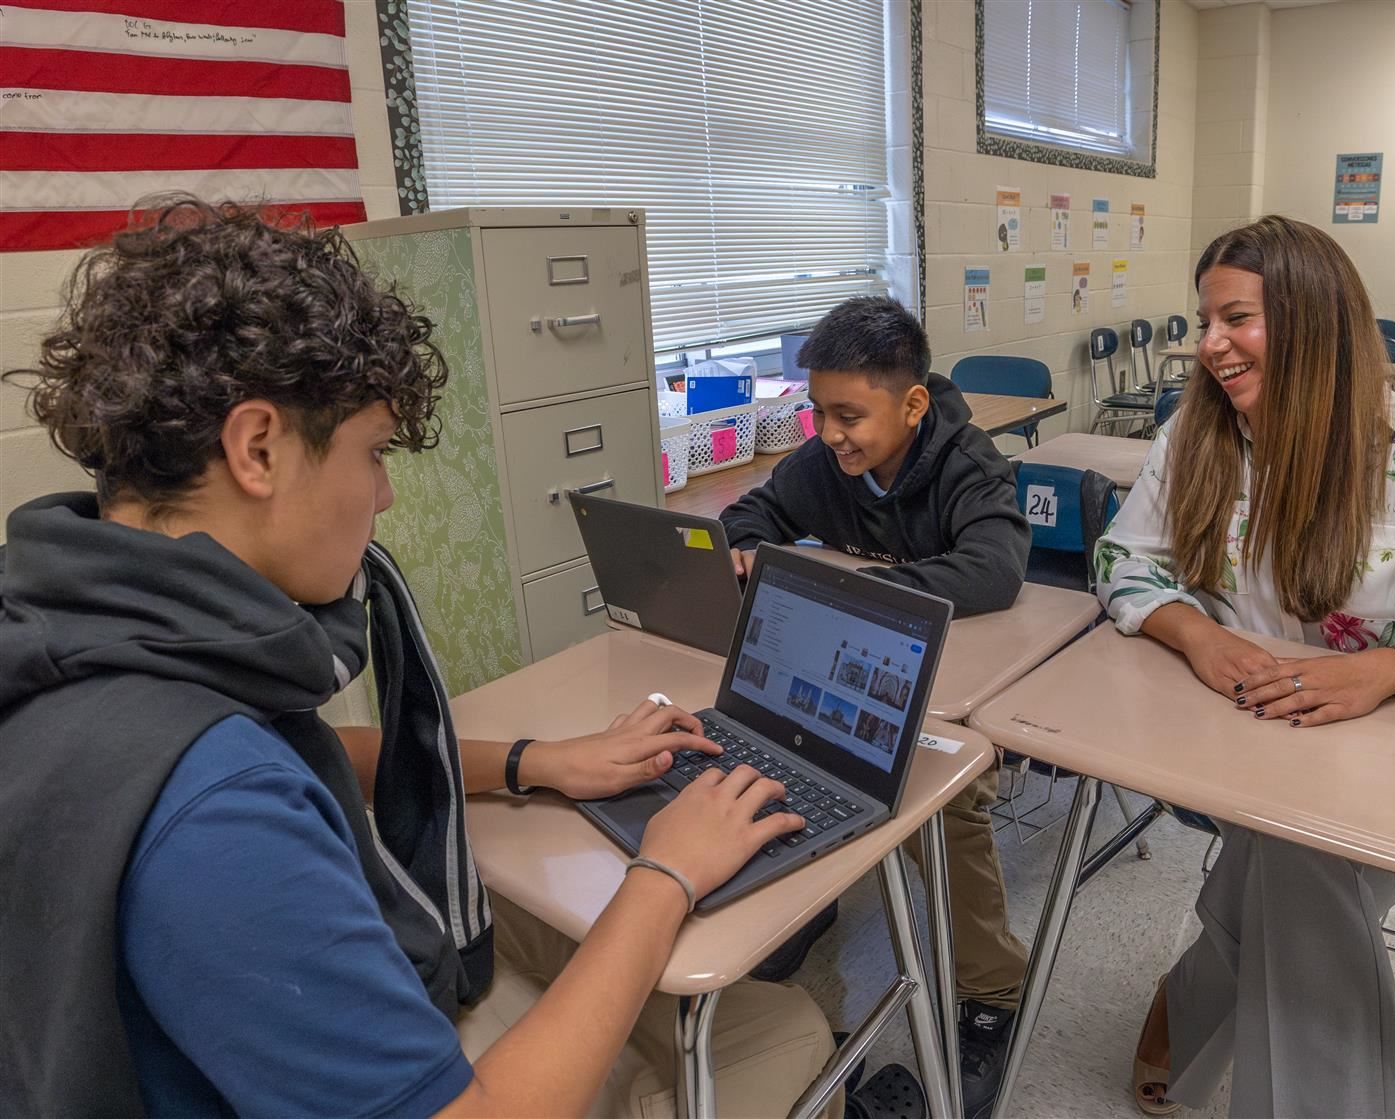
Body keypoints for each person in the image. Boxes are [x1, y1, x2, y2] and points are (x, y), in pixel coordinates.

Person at [0, 196, 895, 1118]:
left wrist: (532, 763)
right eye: (373, 453)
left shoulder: (75, 629)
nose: (384, 495)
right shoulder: (216, 814)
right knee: (777, 1030)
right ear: (258, 447)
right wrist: (667, 871)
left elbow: (295, 750)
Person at [1094, 215, 1395, 1118]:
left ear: (1311, 320)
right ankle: (1214, 1012)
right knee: (1299, 852)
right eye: (1205, 320)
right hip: (1237, 743)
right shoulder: (1196, 435)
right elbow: (1121, 561)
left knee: (1300, 856)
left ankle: (1197, 991)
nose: (1209, 345)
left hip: (1383, 755)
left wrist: (1389, 668)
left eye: (1237, 319)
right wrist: (1200, 637)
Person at [721, 295, 1033, 1118]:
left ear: (913, 403)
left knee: (950, 808)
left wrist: (850, 591)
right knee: (775, 743)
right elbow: (751, 514)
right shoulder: (827, 461)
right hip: (847, 665)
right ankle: (803, 903)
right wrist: (747, 552)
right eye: (819, 411)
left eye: (849, 415)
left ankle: (992, 989)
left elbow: (993, 571)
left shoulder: (971, 463)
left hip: (949, 685)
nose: (828, 433)